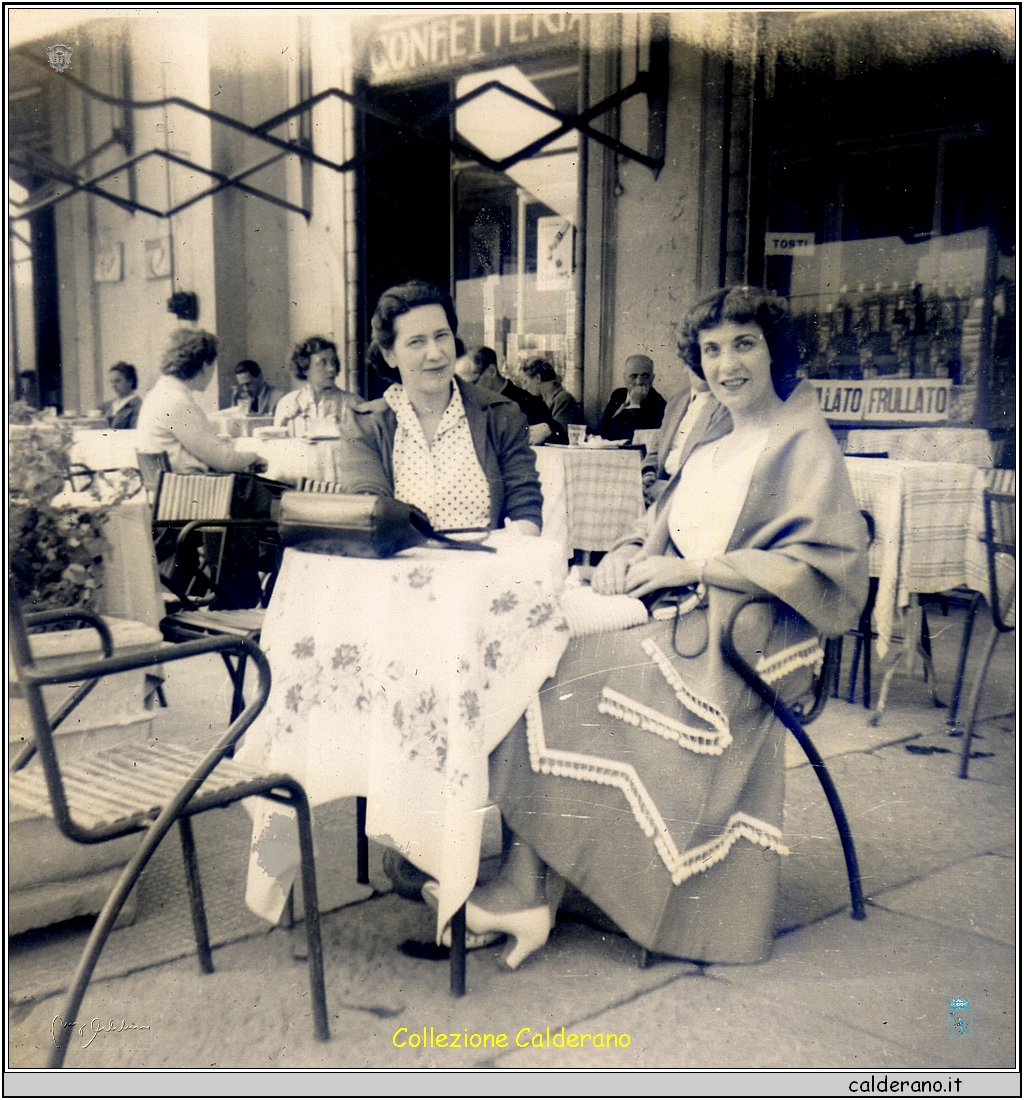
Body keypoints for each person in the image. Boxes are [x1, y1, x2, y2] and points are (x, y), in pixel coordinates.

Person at [467, 286, 868, 970]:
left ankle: (528, 886)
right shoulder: (713, 436)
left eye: (744, 344)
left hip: (749, 641)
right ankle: (531, 882)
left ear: (775, 351)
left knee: (559, 681)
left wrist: (692, 574)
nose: (727, 364)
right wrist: (629, 553)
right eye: (712, 350)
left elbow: (826, 566)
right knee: (528, 658)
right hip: (683, 615)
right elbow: (663, 523)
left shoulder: (802, 441)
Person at [337, 280, 543, 536]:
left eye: (441, 336)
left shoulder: (501, 414)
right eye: (416, 342)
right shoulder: (363, 426)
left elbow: (525, 508)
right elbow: (369, 514)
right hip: (400, 572)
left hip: (485, 570)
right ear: (390, 354)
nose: (435, 354)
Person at [136, 328, 271, 608]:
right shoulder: (177, 401)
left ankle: (237, 584)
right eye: (213, 365)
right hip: (191, 499)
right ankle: (239, 597)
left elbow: (202, 447)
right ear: (203, 364)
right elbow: (222, 459)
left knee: (251, 493)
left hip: (173, 496)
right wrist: (253, 457)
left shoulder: (160, 395)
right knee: (261, 495)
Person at [641, 363, 725, 505]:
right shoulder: (677, 400)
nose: (700, 367)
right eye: (693, 361)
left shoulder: (724, 406)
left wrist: (669, 490)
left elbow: (718, 474)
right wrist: (649, 473)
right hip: (660, 487)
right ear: (684, 365)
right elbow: (656, 450)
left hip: (694, 499)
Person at [455, 345, 561, 446]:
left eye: (472, 384)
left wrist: (547, 428)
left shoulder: (528, 403)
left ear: (491, 371)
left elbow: (559, 435)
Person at [274, 336, 360, 436]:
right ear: (304, 368)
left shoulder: (353, 404)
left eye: (333, 362)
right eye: (323, 363)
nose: (331, 368)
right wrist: (283, 424)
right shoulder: (287, 403)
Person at [598, 354, 667, 441]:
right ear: (624, 378)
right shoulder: (618, 394)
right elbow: (602, 430)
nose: (639, 382)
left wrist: (635, 404)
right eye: (633, 376)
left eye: (645, 376)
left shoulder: (659, 404)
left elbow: (627, 439)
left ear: (652, 378)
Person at [518, 357, 584, 444]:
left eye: (525, 382)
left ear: (538, 378)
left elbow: (559, 435)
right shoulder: (543, 400)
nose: (524, 388)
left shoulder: (563, 399)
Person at [102, 362, 142, 429]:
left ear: (130, 382)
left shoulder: (137, 406)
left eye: (118, 381)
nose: (113, 385)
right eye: (112, 382)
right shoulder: (108, 405)